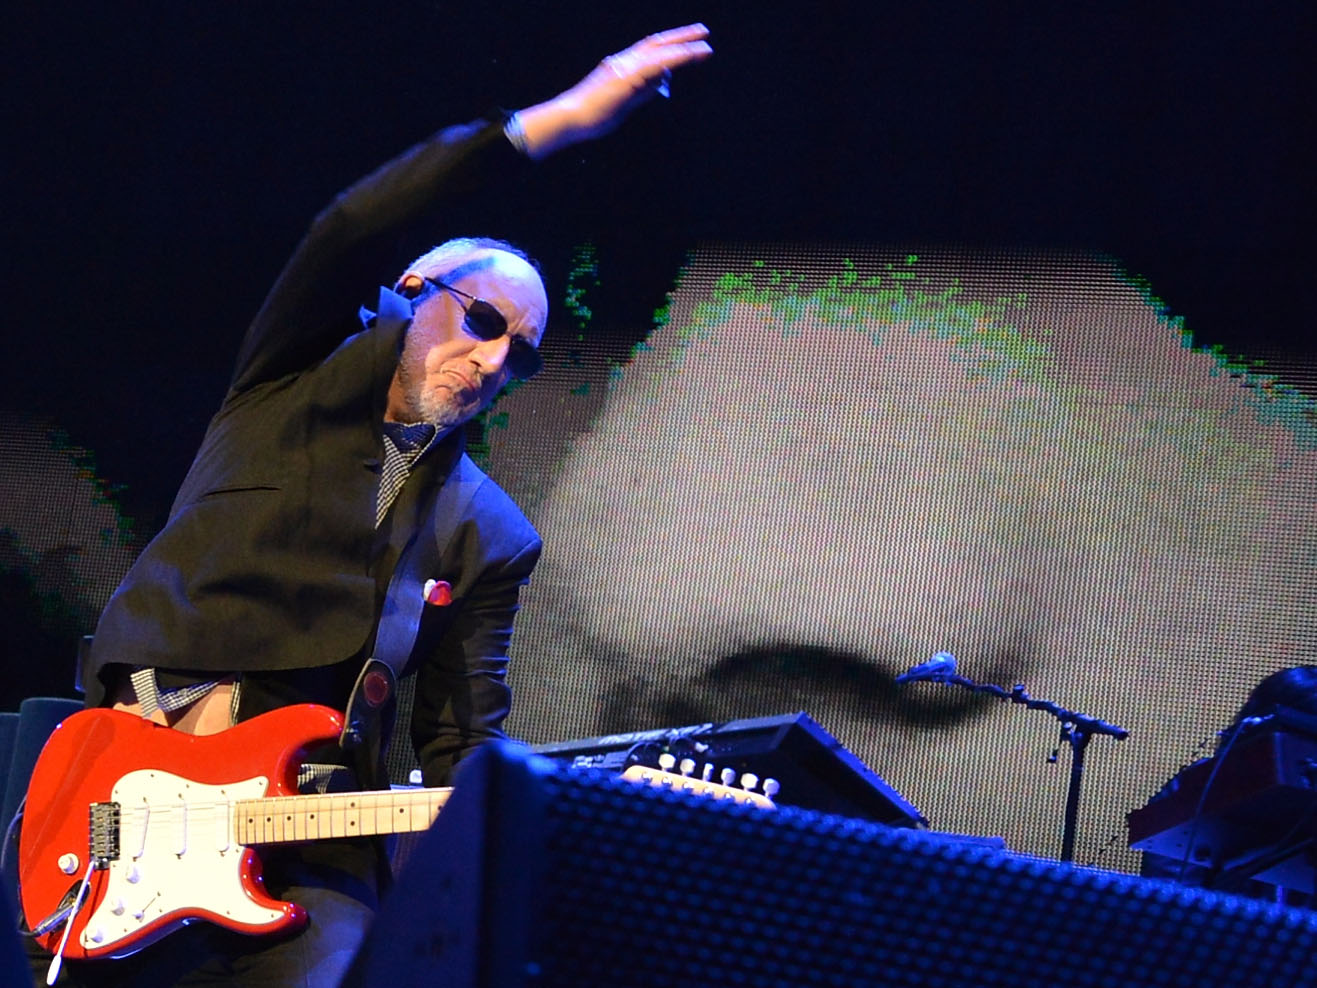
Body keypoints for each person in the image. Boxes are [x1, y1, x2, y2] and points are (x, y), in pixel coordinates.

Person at [24, 24, 713, 987]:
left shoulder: (491, 534)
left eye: (520, 354)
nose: (492, 361)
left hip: (309, 850)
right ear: (405, 294)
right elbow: (347, 226)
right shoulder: (288, 379)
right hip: (119, 800)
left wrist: (531, 803)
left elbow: (461, 733)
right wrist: (553, 122)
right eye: (481, 323)